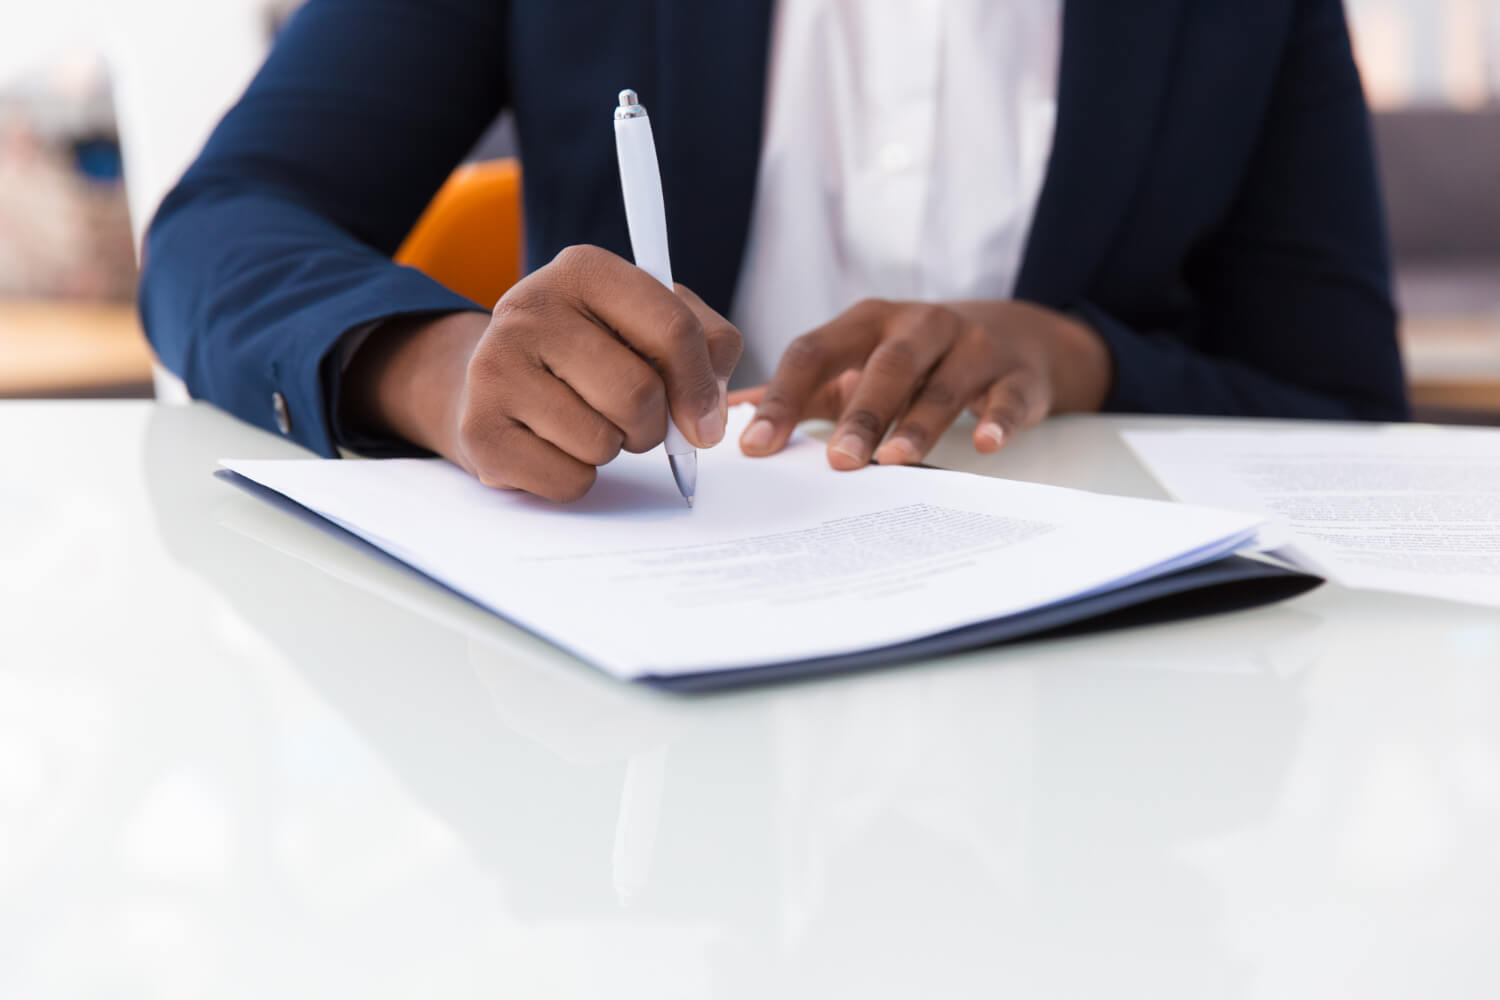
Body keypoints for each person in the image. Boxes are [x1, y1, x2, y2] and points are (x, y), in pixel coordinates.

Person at [140, 0, 1408, 503]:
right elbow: (220, 226)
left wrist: (1074, 355)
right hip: (629, 676)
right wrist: (441, 365)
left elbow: (1345, 409)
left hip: (1111, 719)